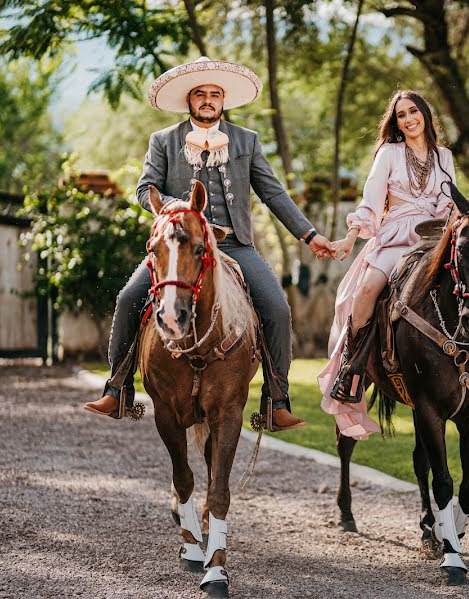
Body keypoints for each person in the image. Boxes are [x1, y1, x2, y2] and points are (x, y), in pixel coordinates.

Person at [83, 57, 333, 431]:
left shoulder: (247, 141)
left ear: (222, 101)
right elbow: (142, 189)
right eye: (200, 93)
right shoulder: (163, 140)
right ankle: (117, 389)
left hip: (235, 247)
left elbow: (273, 193)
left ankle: (276, 401)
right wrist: (178, 208)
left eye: (214, 94)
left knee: (278, 309)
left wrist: (310, 236)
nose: (207, 99)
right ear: (189, 99)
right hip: (182, 245)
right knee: (127, 298)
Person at [317, 90, 469, 458]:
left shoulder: (445, 157)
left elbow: (452, 203)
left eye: (414, 111)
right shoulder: (389, 154)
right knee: (365, 292)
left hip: (438, 238)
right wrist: (351, 238)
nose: (409, 119)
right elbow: (370, 199)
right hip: (396, 235)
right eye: (401, 115)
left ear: (425, 114)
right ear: (394, 123)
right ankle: (353, 368)